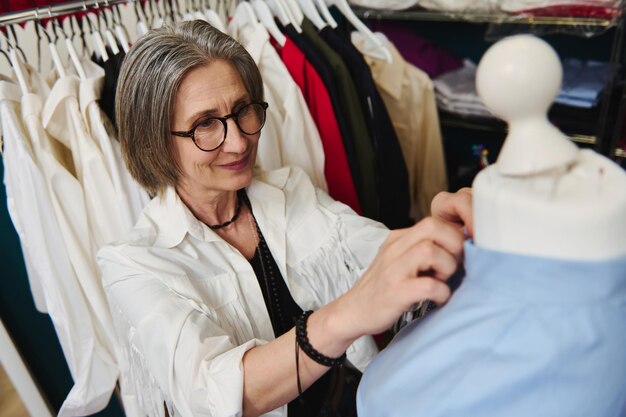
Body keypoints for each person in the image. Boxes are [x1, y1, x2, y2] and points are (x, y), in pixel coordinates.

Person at [97, 19, 472, 417]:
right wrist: (346, 315)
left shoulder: (289, 191)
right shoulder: (133, 264)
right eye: (206, 124)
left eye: (243, 110)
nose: (239, 141)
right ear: (154, 141)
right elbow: (214, 394)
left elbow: (375, 253)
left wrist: (433, 235)